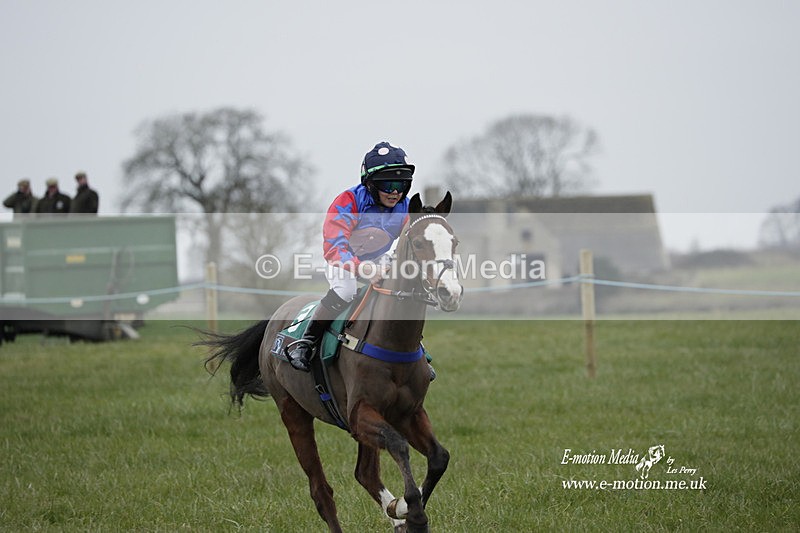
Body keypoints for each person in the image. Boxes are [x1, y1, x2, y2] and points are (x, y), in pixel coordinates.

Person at [288, 141, 415, 372]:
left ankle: (417, 352)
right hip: (343, 260)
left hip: (379, 259)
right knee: (346, 291)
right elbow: (334, 247)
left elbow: (405, 245)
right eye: (388, 184)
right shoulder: (348, 201)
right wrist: (362, 269)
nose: (395, 191)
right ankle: (306, 342)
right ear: (370, 184)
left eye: (401, 184)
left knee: (402, 293)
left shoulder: (405, 207)